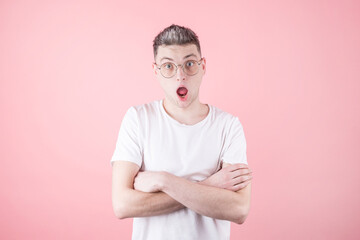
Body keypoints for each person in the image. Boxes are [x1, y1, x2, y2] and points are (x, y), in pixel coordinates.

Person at [111, 24, 253, 240]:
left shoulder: (228, 126)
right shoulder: (138, 119)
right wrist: (210, 185)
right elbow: (122, 205)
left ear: (203, 66)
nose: (180, 76)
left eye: (189, 64)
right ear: (155, 71)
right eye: (168, 66)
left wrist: (163, 181)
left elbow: (239, 209)